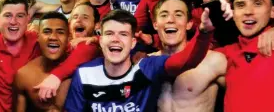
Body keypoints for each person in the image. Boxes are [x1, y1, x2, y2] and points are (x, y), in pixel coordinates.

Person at [64, 9, 214, 111]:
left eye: (123, 34)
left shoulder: (147, 67)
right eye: (110, 33)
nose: (116, 39)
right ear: (101, 40)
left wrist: (204, 32)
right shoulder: (84, 74)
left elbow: (186, 61)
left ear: (133, 42)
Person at [0, 0, 96, 111]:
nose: (13, 21)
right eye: (8, 15)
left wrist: (96, 38)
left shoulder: (40, 40)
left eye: (19, 16)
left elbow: (89, 49)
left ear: (28, 18)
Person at [151, 0, 229, 112]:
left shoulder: (213, 60)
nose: (170, 20)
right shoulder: (146, 64)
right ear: (155, 24)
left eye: (178, 14)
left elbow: (245, 96)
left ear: (189, 24)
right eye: (164, 15)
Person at [13, 12, 72, 112]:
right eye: (47, 31)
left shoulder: (81, 70)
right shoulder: (24, 75)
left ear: (68, 38)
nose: (53, 37)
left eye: (60, 32)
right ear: (38, 37)